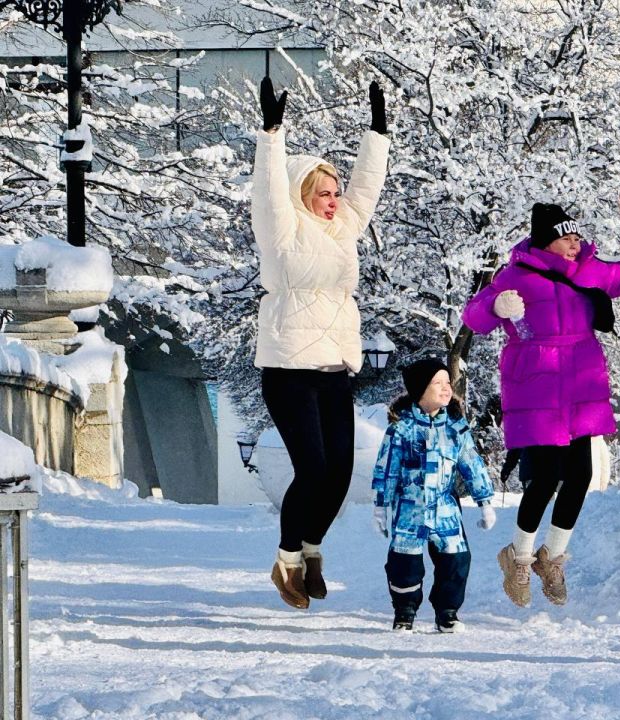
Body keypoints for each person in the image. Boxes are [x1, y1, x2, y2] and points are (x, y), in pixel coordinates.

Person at [462, 193, 620, 607]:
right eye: (567, 238)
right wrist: (495, 305)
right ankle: (518, 555)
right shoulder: (517, 275)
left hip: (581, 381)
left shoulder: (588, 271)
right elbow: (473, 316)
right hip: (536, 382)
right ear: (546, 242)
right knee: (546, 476)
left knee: (581, 474)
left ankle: (552, 556)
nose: (574, 244)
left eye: (576, 237)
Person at [252, 76, 391, 609]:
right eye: (323, 193)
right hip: (288, 368)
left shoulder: (342, 230)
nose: (334, 201)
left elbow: (367, 190)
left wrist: (376, 135)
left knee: (337, 474)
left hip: (334, 367)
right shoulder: (282, 228)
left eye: (335, 193)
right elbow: (269, 189)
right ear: (303, 196)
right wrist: (271, 134)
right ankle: (286, 561)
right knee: (311, 469)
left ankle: (312, 549)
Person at [372, 358, 497, 632]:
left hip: (445, 509)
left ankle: (447, 612)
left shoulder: (455, 429)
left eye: (447, 383)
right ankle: (404, 612)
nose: (446, 388)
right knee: (404, 563)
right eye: (437, 383)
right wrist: (380, 506)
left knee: (456, 560)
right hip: (409, 510)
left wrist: (485, 501)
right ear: (420, 390)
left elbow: (472, 465)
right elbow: (386, 469)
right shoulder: (400, 430)